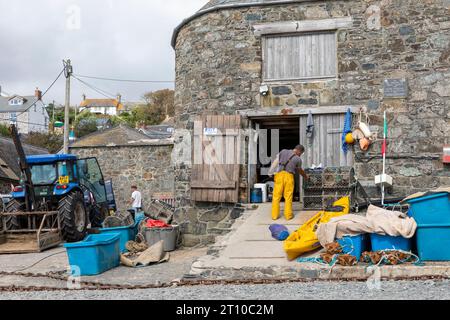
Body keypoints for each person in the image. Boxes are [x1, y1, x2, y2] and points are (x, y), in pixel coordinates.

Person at [270, 145, 308, 221]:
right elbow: (299, 170)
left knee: (276, 196)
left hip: (279, 175)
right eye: (301, 153)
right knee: (288, 196)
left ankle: (274, 216)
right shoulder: (298, 159)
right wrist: (305, 176)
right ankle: (288, 216)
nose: (300, 155)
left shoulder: (283, 151)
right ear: (299, 151)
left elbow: (276, 161)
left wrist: (271, 171)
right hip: (289, 176)